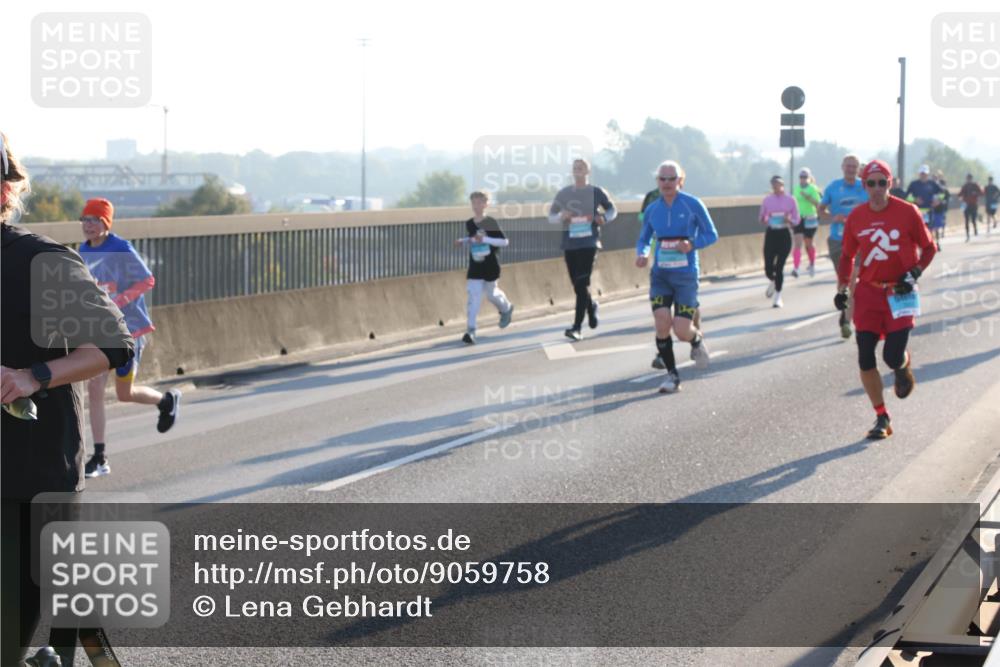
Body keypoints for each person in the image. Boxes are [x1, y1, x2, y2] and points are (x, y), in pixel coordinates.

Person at [1, 133, 135, 666]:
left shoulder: (40, 263)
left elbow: (111, 344)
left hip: (29, 480)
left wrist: (35, 375)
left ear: (4, 192)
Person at [78, 198, 180, 478]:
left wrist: (121, 299)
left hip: (129, 330)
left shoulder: (121, 248)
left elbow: (148, 280)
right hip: (100, 331)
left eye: (94, 219)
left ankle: (166, 402)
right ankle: (99, 457)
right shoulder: (82, 251)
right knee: (95, 388)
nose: (88, 225)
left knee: (125, 393)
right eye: (84, 219)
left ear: (106, 223)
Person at [834, 159, 935, 440]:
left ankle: (902, 365)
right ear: (864, 185)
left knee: (891, 355)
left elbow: (929, 248)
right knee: (865, 357)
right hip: (868, 292)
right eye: (871, 183)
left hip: (900, 292)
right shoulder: (856, 217)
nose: (877, 189)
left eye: (882, 183)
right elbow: (847, 256)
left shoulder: (908, 212)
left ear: (890, 184)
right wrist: (843, 289)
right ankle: (881, 416)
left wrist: (914, 273)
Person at [635, 160, 718, 393]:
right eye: (662, 179)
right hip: (661, 275)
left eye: (672, 179)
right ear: (657, 182)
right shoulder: (653, 209)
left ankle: (696, 340)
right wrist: (641, 253)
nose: (667, 183)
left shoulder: (693, 204)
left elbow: (711, 234)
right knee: (662, 323)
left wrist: (691, 244)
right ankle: (672, 376)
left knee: (681, 330)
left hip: (685, 275)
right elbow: (644, 238)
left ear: (681, 180)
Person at [548, 158, 617, 341]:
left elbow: (612, 210)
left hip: (589, 243)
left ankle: (577, 327)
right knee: (577, 285)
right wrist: (562, 215)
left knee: (581, 283)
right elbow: (551, 216)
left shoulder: (596, 192)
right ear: (573, 172)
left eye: (581, 168)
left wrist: (604, 218)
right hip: (570, 244)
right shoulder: (564, 193)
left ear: (588, 171)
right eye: (575, 168)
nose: (578, 171)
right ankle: (591, 306)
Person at [453, 191, 513, 344]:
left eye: (480, 202)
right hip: (475, 265)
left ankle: (506, 308)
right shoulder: (469, 223)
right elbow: (473, 238)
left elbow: (504, 242)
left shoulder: (490, 222)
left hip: (490, 265)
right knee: (474, 297)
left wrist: (485, 238)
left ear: (486, 204)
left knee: (492, 295)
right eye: (473, 203)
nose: (476, 206)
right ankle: (471, 331)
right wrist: (463, 241)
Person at [819, 154, 868, 339]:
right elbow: (821, 212)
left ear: (858, 169)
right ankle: (845, 307)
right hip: (838, 240)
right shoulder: (833, 187)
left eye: (854, 166)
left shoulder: (864, 187)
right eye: (848, 166)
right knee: (843, 280)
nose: (851, 169)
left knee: (854, 277)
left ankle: (846, 319)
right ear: (842, 167)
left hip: (861, 240)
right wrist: (834, 217)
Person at [759, 175, 799, 308]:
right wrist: (766, 218)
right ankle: (773, 279)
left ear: (783, 185)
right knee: (768, 268)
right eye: (774, 184)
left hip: (784, 234)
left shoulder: (790, 200)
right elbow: (761, 217)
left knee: (780, 267)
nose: (777, 187)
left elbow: (797, 219)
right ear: (772, 186)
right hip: (771, 233)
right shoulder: (767, 200)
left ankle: (778, 296)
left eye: (779, 184)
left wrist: (789, 221)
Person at [791, 168, 821, 279]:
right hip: (799, 218)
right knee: (797, 243)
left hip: (810, 218)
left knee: (808, 243)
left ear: (809, 178)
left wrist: (808, 197)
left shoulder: (813, 189)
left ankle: (812, 264)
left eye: (805, 177)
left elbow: (818, 204)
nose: (803, 179)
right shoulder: (796, 189)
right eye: (801, 177)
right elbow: (793, 204)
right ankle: (796, 268)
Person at [959, 173, 984, 241]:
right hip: (966, 205)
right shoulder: (965, 186)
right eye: (968, 178)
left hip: (973, 204)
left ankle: (975, 229)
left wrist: (976, 193)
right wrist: (961, 196)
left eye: (969, 178)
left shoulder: (975, 185)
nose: (968, 180)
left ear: (971, 179)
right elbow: (960, 194)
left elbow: (982, 193)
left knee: (973, 219)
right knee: (966, 220)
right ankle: (967, 235)